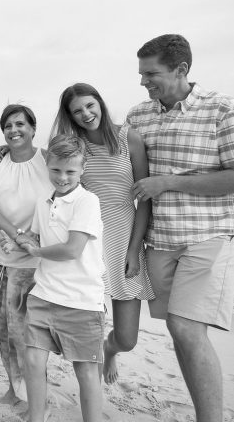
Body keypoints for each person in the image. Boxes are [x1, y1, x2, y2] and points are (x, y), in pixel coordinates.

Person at [126, 34, 234, 422]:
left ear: (181, 69)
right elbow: (104, 150)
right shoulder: (138, 115)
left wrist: (168, 181)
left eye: (150, 73)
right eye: (141, 74)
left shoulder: (221, 109)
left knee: (185, 327)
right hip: (160, 241)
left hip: (208, 236)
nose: (143, 81)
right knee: (183, 334)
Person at [52, 83, 154, 384]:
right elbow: (48, 167)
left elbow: (144, 199)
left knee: (127, 338)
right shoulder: (74, 147)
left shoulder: (129, 138)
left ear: (100, 103)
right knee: (87, 330)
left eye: (89, 105)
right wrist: (5, 148)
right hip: (87, 243)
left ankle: (111, 351)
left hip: (124, 240)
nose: (86, 114)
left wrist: (134, 250)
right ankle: (90, 392)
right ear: (70, 117)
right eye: (77, 111)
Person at [17, 135, 104, 422]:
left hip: (81, 300)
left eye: (70, 171)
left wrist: (36, 249)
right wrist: (22, 241)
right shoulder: (44, 202)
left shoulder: (87, 201)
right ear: (48, 166)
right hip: (44, 293)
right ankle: (36, 416)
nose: (63, 177)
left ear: (82, 169)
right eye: (56, 170)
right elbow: (37, 235)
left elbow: (72, 249)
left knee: (86, 371)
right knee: (32, 359)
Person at [0, 104, 53, 405]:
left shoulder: (47, 158)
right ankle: (14, 389)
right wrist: (15, 234)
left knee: (29, 336)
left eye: (20, 124)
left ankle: (36, 397)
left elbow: (64, 197)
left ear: (33, 128)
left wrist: (32, 237)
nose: (13, 130)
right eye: (7, 126)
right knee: (5, 331)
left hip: (33, 262)